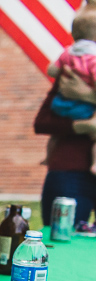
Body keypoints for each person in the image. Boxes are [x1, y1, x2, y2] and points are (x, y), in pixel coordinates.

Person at [46, 11, 96, 174]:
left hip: (61, 104)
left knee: (55, 136)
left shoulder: (68, 52)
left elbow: (52, 70)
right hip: (70, 167)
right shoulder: (93, 58)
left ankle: (47, 157)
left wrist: (86, 95)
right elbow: (42, 122)